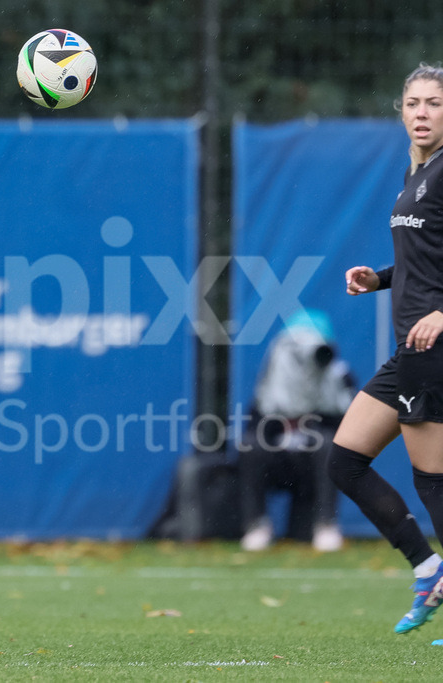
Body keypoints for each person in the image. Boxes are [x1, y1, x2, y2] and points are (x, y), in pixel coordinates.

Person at [330, 63, 443, 638]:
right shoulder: (414, 173)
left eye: (435, 103)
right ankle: (428, 567)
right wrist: (378, 278)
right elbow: (424, 266)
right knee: (345, 459)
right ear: (400, 111)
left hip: (435, 345)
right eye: (413, 103)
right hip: (411, 348)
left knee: (434, 481)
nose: (422, 113)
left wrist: (442, 314)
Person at [238, 310, 355, 552]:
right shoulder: (269, 385)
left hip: (315, 468)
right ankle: (256, 525)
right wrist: (280, 418)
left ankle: (326, 525)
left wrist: (313, 419)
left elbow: (348, 430)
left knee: (327, 445)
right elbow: (254, 427)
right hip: (279, 462)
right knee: (250, 446)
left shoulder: (340, 378)